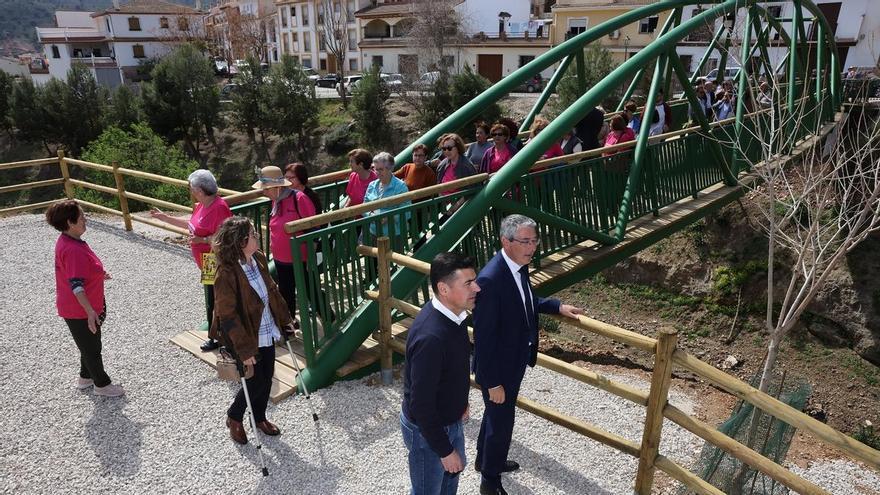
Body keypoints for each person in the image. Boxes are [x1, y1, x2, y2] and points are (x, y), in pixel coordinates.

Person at [472, 215, 584, 495]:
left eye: (534, 240)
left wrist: (556, 306)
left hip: (514, 359)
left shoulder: (516, 267)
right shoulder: (491, 279)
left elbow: (525, 301)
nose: (532, 247)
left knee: (496, 415)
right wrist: (493, 381)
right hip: (499, 367)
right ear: (505, 242)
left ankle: (484, 459)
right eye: (525, 241)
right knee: (501, 422)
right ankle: (490, 480)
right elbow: (483, 338)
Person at [209, 216, 295, 445]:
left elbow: (272, 292)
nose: (257, 237)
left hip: (265, 327)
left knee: (267, 377)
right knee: (255, 379)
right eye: (253, 235)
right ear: (240, 242)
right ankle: (234, 417)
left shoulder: (258, 258)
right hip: (244, 334)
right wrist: (245, 349)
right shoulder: (226, 272)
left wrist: (286, 319)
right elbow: (227, 314)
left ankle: (259, 418)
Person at [401, 252, 480, 495]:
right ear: (443, 289)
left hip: (449, 421)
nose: (477, 287)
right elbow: (421, 404)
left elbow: (452, 368)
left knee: (448, 486)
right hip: (429, 433)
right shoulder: (431, 338)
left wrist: (461, 402)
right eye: (468, 283)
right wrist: (444, 450)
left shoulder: (456, 315)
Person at [47, 200, 124, 397]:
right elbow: (76, 285)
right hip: (79, 310)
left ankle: (85, 377)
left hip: (81, 307)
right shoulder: (73, 249)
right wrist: (89, 311)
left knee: (87, 344)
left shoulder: (69, 240)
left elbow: (79, 272)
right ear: (70, 222)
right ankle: (102, 384)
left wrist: (98, 274)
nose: (85, 220)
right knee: (92, 349)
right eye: (81, 217)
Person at [150, 169, 232, 352]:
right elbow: (191, 224)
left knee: (217, 300)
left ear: (200, 191)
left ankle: (218, 337)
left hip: (215, 260)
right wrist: (164, 217)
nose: (191, 191)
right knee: (212, 299)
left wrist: (202, 240)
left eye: (192, 188)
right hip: (207, 261)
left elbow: (225, 238)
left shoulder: (219, 207)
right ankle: (217, 335)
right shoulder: (202, 205)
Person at [251, 165, 312, 324]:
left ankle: (330, 318)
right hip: (280, 257)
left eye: (266, 188)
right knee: (286, 292)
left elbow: (313, 225)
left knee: (310, 291)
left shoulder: (299, 199)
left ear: (277, 187)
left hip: (299, 257)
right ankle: (289, 324)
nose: (264, 192)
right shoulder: (276, 201)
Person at [363, 151, 412, 238]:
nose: (377, 172)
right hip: (374, 232)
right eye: (375, 169)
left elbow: (407, 212)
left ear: (390, 169)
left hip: (394, 234)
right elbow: (364, 207)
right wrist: (370, 215)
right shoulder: (372, 185)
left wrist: (388, 217)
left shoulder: (400, 187)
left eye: (381, 169)